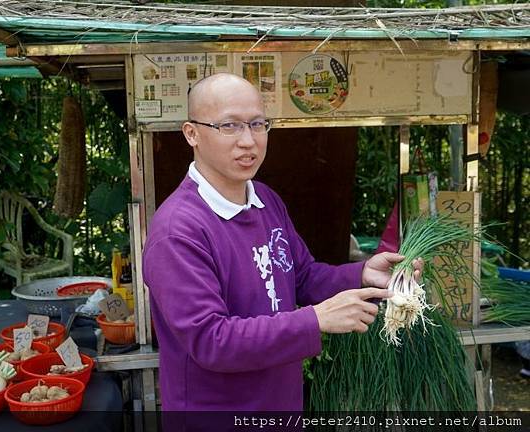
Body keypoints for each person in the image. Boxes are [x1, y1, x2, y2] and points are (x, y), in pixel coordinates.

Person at [142, 73, 422, 411]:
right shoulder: (179, 230)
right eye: (229, 126)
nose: (248, 141)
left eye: (258, 124)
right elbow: (211, 340)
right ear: (192, 134)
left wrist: (361, 274)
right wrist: (315, 319)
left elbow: (301, 276)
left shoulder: (265, 200)